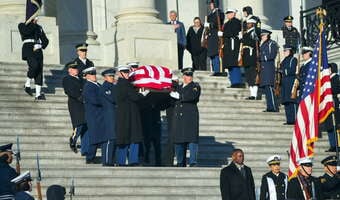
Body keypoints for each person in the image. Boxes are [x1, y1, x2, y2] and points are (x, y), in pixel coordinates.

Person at [116, 65, 149, 166]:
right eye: (124, 72)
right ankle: (132, 160)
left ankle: (121, 161)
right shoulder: (125, 84)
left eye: (127, 72)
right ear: (120, 73)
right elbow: (134, 97)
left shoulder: (119, 85)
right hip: (129, 115)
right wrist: (143, 94)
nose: (126, 74)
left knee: (124, 139)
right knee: (133, 138)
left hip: (124, 115)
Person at [169, 68, 201, 167]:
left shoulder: (195, 86)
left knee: (192, 140)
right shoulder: (178, 87)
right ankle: (180, 162)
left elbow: (192, 96)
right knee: (179, 141)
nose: (189, 77)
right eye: (187, 75)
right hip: (179, 117)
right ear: (183, 77)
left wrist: (179, 96)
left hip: (190, 117)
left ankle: (192, 161)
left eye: (190, 75)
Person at [18, 17, 49, 100]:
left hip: (38, 49)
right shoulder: (22, 25)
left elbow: (45, 40)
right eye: (35, 16)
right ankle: (27, 84)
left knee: (39, 71)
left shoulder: (39, 27)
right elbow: (26, 32)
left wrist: (41, 45)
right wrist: (33, 24)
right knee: (34, 66)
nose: (37, 18)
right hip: (28, 48)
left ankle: (38, 95)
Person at [62, 61, 88, 154]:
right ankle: (73, 140)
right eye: (73, 68)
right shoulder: (67, 79)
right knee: (78, 124)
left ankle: (85, 148)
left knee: (85, 125)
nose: (76, 70)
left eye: (76, 68)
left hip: (84, 104)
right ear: (69, 70)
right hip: (75, 104)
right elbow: (69, 91)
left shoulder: (81, 79)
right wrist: (80, 97)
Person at [82, 67, 105, 164]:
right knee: (95, 137)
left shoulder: (98, 85)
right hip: (94, 116)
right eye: (91, 74)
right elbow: (94, 100)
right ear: (86, 76)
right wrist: (106, 101)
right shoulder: (88, 86)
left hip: (100, 115)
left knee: (99, 136)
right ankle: (90, 157)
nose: (94, 76)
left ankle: (95, 157)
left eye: (94, 74)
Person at [99, 68, 117, 166]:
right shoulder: (105, 87)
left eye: (113, 76)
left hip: (114, 116)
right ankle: (106, 161)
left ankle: (111, 160)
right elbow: (113, 99)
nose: (112, 78)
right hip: (108, 116)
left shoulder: (113, 87)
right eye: (110, 76)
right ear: (105, 77)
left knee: (113, 139)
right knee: (109, 139)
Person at [321, 63, 340, 152]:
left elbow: (336, 90)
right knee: (329, 126)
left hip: (334, 104)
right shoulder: (327, 79)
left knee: (336, 125)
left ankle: (338, 145)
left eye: (328, 68)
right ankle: (332, 145)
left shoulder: (336, 78)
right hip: (327, 104)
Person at [222, 9, 243, 88]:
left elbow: (233, 32)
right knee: (230, 64)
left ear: (234, 14)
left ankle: (237, 82)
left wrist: (223, 34)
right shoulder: (227, 23)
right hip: (228, 45)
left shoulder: (236, 22)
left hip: (233, 45)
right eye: (227, 13)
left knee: (234, 64)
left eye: (229, 13)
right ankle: (233, 82)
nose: (228, 15)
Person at [259, 29, 279, 112]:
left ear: (267, 35)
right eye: (262, 36)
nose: (262, 37)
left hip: (269, 68)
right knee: (266, 88)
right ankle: (269, 106)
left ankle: (274, 107)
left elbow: (272, 55)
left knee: (270, 88)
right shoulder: (263, 44)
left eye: (263, 35)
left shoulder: (272, 43)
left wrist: (262, 58)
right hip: (264, 68)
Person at [279, 45, 298, 125]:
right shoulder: (284, 60)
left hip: (290, 81)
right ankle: (289, 120)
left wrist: (283, 71)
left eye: (286, 51)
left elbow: (292, 70)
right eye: (284, 51)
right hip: (284, 82)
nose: (284, 52)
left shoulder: (293, 59)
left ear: (290, 51)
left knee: (292, 101)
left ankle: (294, 119)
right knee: (286, 101)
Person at [205, 0, 225, 75]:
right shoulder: (211, 14)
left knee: (216, 54)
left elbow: (219, 22)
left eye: (211, 4)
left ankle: (217, 71)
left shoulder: (219, 13)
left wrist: (210, 25)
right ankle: (214, 70)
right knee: (212, 55)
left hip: (216, 37)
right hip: (211, 37)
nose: (210, 5)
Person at [242, 18, 259, 98]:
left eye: (249, 23)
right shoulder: (246, 33)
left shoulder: (254, 32)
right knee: (248, 76)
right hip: (246, 56)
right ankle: (251, 94)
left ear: (253, 24)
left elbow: (254, 43)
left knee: (252, 76)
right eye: (247, 23)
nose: (247, 25)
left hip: (252, 56)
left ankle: (254, 94)